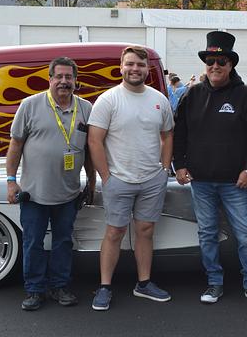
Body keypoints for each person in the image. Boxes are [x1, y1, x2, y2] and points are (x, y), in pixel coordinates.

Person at [174, 31, 247, 306]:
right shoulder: (191, 95)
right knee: (207, 234)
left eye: (221, 62)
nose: (215, 66)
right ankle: (214, 283)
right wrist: (179, 165)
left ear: (231, 65)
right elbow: (179, 133)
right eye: (210, 61)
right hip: (201, 182)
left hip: (234, 183)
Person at [88, 46, 174, 311]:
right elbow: (94, 140)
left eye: (140, 64)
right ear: (121, 67)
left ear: (147, 69)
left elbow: (168, 135)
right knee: (114, 232)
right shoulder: (108, 100)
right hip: (118, 179)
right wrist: (106, 177)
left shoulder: (159, 99)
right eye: (130, 64)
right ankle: (104, 286)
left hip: (152, 179)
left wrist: (164, 169)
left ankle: (144, 283)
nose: (135, 69)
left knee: (145, 231)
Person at [6, 56, 94, 311]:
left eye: (69, 77)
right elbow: (16, 145)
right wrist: (11, 181)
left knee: (63, 241)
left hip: (68, 194)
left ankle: (60, 286)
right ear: (50, 79)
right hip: (34, 194)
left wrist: (91, 181)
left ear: (76, 80)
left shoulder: (86, 108)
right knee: (33, 242)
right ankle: (34, 290)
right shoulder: (30, 105)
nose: (64, 82)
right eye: (59, 77)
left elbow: (89, 150)